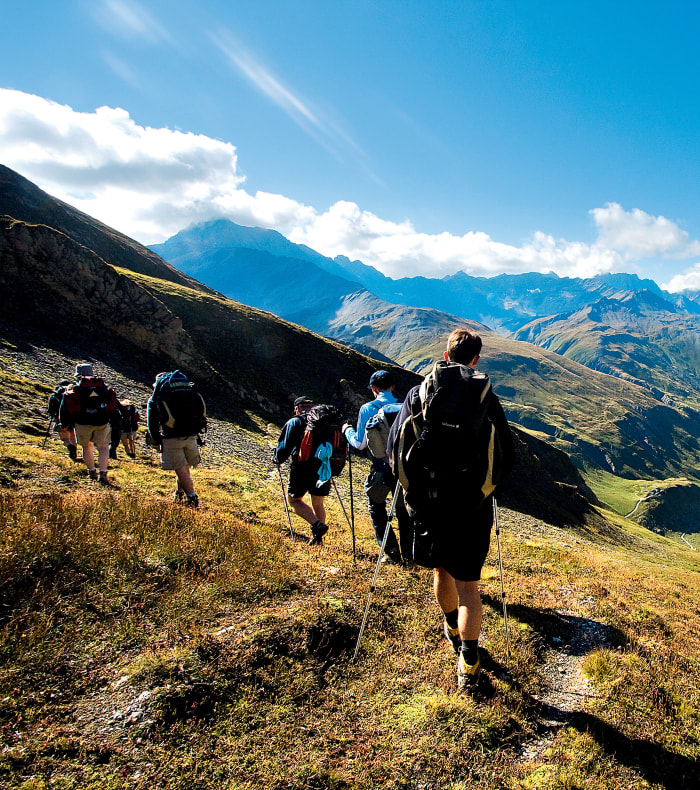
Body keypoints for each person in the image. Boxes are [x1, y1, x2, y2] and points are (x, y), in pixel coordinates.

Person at [388, 328, 514, 692]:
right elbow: (505, 454)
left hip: (429, 502)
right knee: (469, 586)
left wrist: (415, 494)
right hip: (472, 505)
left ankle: (449, 625)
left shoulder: (418, 395)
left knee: (441, 569)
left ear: (446, 354)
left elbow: (396, 449)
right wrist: (484, 491)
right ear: (476, 359)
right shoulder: (484, 398)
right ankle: (470, 658)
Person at [343, 370, 406, 564]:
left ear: (374, 388)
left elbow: (360, 443)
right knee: (405, 510)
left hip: (381, 467)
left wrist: (347, 431)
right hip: (404, 468)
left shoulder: (368, 408)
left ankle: (391, 550)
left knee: (376, 506)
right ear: (393, 387)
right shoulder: (406, 405)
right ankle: (412, 554)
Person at [274, 396, 330, 546]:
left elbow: (285, 445)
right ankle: (318, 538)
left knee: (294, 501)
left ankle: (317, 525)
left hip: (302, 468)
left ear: (297, 408)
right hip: (324, 467)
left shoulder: (295, 422)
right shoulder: (325, 422)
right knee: (318, 503)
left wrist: (278, 459)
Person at [147, 371, 206, 508]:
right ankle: (179, 492)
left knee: (180, 468)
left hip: (171, 437)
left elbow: (152, 423)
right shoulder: (189, 393)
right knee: (185, 465)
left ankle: (191, 497)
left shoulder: (157, 397)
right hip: (191, 435)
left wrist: (156, 440)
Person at [59, 363, 118, 485]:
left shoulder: (76, 388)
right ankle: (103, 473)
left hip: (82, 422)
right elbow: (113, 405)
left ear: (78, 375)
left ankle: (91, 472)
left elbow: (65, 407)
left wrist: (65, 423)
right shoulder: (102, 387)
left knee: (87, 446)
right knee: (104, 447)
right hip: (102, 421)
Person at [47, 379, 78, 461]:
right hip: (73, 418)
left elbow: (51, 410)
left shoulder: (55, 395)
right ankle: (75, 453)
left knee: (65, 438)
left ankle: (70, 447)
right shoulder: (71, 393)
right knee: (72, 435)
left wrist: (53, 416)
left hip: (60, 419)